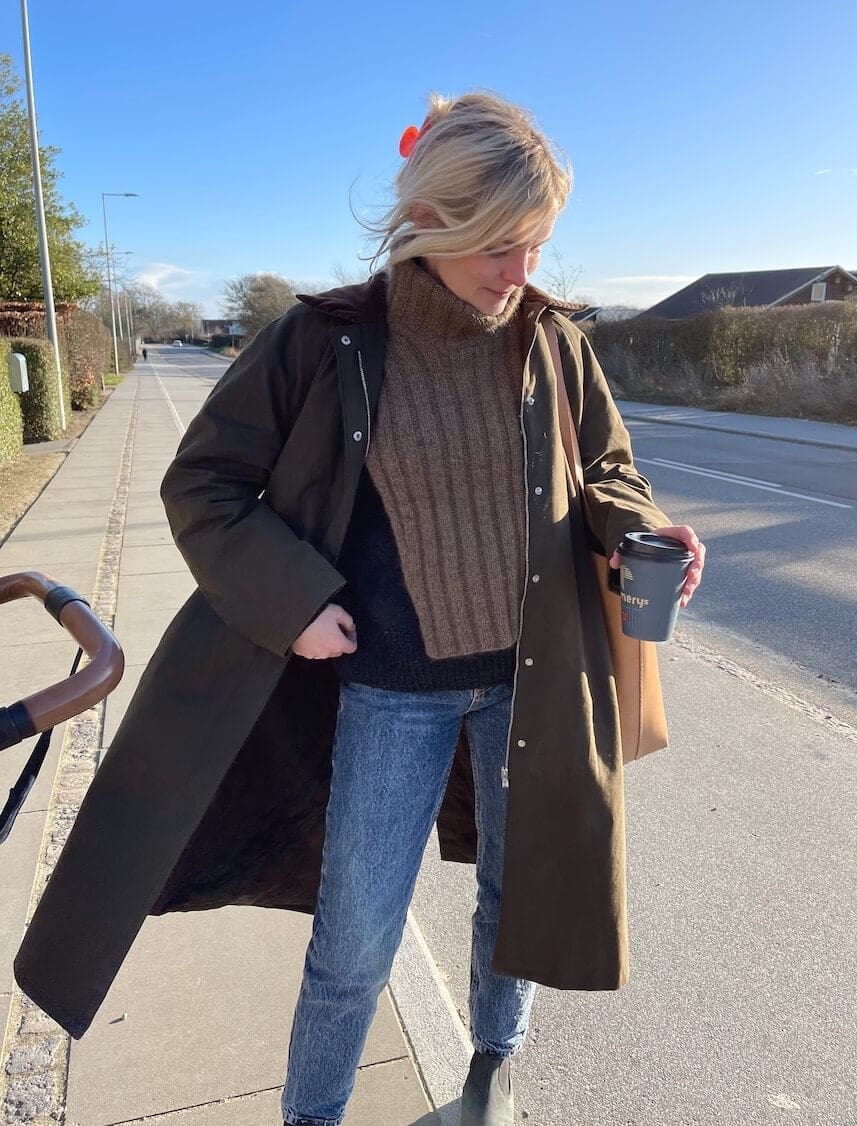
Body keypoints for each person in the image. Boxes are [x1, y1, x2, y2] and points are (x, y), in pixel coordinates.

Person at [13, 91, 705, 1126]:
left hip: (533, 681)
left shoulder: (552, 340)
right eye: (501, 245)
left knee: (519, 902)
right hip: (391, 690)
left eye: (537, 244)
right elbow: (203, 486)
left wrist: (641, 526)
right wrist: (293, 602)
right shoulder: (321, 339)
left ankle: (492, 1072)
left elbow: (606, 467)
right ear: (430, 219)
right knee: (353, 941)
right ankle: (313, 1115)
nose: (522, 272)